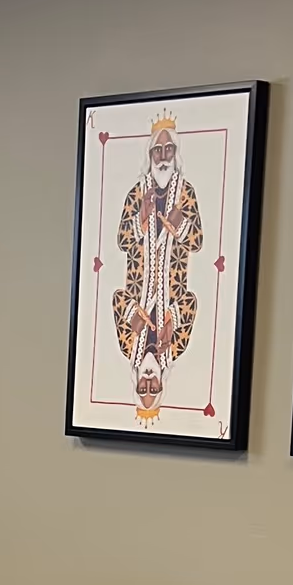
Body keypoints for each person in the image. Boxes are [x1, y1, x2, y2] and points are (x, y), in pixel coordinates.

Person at [113, 113, 202, 425]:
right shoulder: (137, 193)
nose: (149, 380)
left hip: (165, 278)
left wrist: (134, 319)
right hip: (150, 283)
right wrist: (173, 319)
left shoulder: (185, 192)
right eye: (157, 151)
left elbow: (197, 240)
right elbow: (190, 302)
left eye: (168, 150)